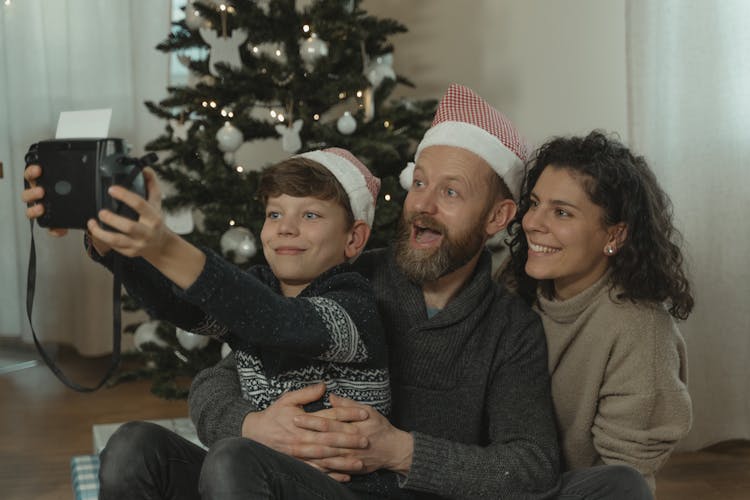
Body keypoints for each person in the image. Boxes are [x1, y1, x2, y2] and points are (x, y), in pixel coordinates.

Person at [183, 83, 562, 499]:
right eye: (419, 184)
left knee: (233, 462)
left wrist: (401, 451)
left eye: (450, 192)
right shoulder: (348, 279)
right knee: (139, 448)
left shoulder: (510, 330)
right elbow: (214, 384)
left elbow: (532, 465)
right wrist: (254, 426)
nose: (423, 206)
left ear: (497, 216)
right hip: (290, 481)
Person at [23, 148, 399, 496]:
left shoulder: (353, 305)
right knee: (131, 445)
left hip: (343, 490)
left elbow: (276, 322)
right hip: (250, 480)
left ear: (353, 239)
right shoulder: (259, 288)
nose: (286, 227)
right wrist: (111, 245)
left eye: (311, 215)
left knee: (231, 458)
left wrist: (162, 244)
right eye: (275, 214)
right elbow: (182, 307)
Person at [502, 130, 693, 496]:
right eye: (535, 203)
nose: (532, 222)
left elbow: (625, 473)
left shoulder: (640, 330)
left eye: (561, 212)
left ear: (615, 236)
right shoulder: (513, 284)